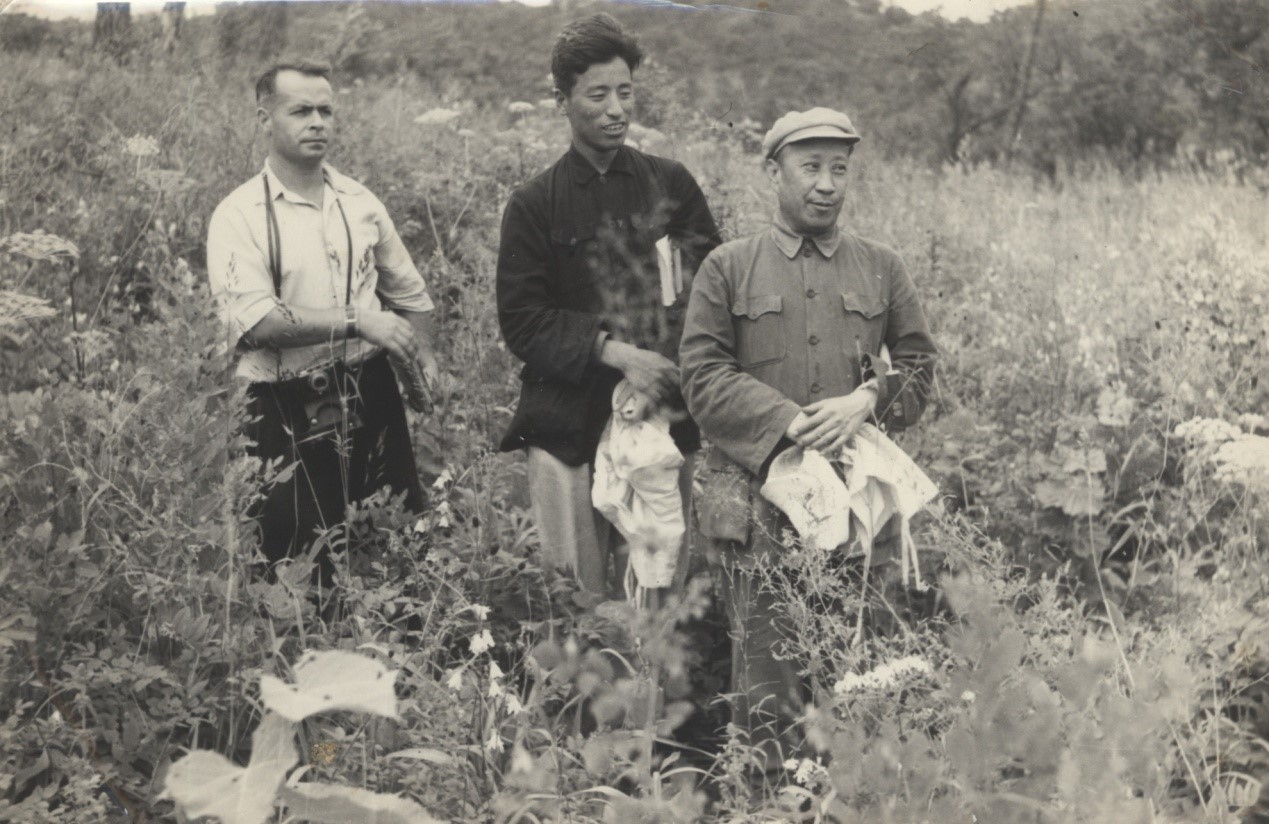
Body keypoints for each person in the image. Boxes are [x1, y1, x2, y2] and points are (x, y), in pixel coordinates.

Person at [679, 107, 939, 773]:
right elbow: (701, 379)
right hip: (757, 508)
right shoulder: (727, 268)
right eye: (810, 167)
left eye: (839, 169)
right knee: (766, 679)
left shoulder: (881, 266)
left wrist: (867, 399)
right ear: (774, 172)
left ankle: (850, 799)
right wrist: (787, 422)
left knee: (858, 669)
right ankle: (765, 803)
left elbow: (919, 370)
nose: (826, 184)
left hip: (856, 509)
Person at [496, 13, 721, 598]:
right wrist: (618, 355)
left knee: (659, 595)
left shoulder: (672, 185)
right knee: (578, 600)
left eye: (625, 92)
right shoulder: (533, 204)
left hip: (662, 417)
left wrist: (659, 371)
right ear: (562, 100)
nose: (616, 109)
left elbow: (710, 295)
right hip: (565, 425)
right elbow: (522, 321)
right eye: (598, 95)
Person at [206, 60, 437, 587]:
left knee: (396, 547)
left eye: (326, 111)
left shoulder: (360, 202)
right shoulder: (238, 215)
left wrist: (423, 359)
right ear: (264, 119)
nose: (317, 122)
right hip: (280, 403)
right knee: (296, 569)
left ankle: (401, 636)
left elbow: (412, 295)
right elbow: (259, 323)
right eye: (301, 111)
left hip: (369, 389)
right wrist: (359, 321)